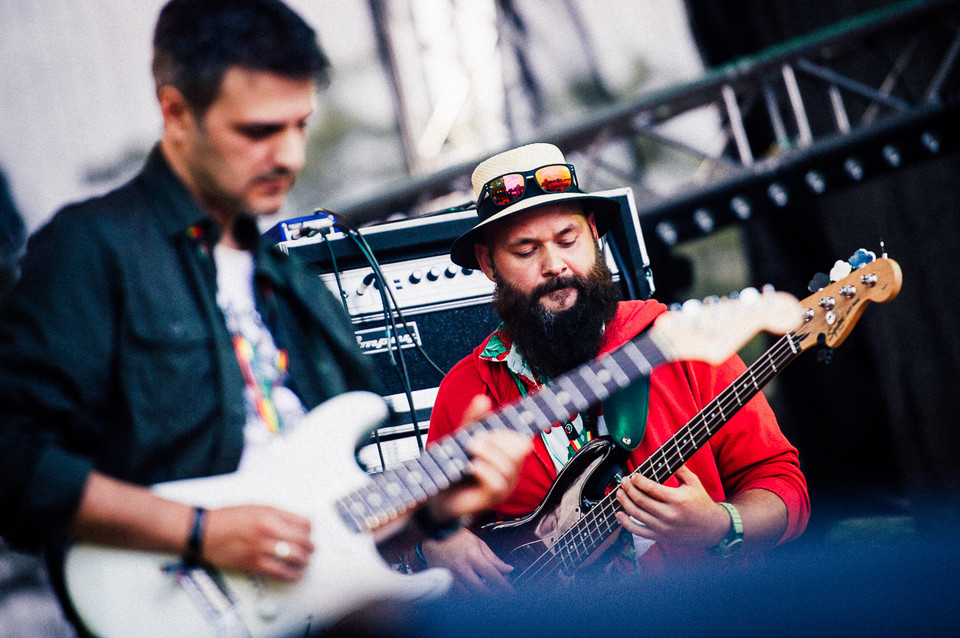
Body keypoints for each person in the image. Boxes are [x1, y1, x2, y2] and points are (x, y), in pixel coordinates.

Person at [0, 0, 529, 631]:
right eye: (258, 131)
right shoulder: (92, 249)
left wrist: (430, 515)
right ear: (176, 114)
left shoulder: (294, 285)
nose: (290, 156)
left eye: (300, 125)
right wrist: (202, 531)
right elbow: (12, 461)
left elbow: (330, 539)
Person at [418, 143, 810, 593]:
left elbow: (780, 482)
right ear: (489, 264)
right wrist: (437, 542)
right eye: (525, 251)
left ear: (595, 234)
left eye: (568, 240)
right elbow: (425, 519)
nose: (555, 266)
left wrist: (720, 523)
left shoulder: (680, 342)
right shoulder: (468, 390)